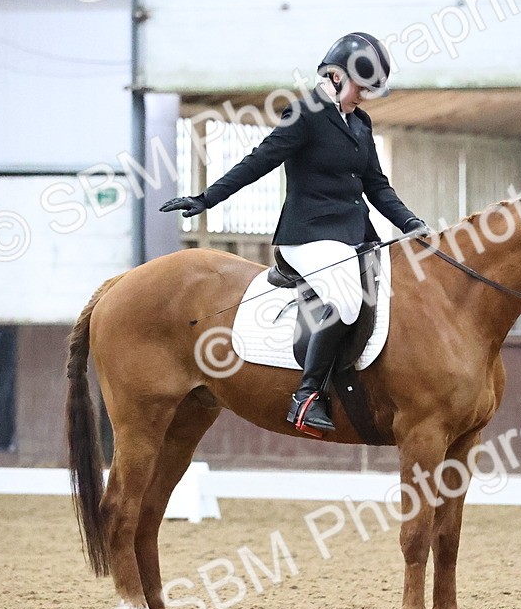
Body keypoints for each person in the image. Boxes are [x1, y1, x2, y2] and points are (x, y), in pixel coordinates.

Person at [160, 32, 430, 435]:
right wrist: (206, 199)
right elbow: (259, 160)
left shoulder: (360, 122)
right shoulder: (305, 114)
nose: (365, 98)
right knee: (348, 300)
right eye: (361, 87)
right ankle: (306, 396)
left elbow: (376, 184)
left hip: (356, 236)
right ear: (336, 77)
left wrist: (410, 222)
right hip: (308, 237)